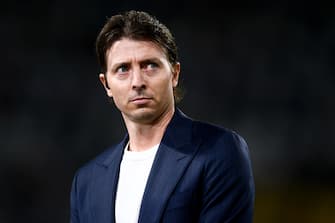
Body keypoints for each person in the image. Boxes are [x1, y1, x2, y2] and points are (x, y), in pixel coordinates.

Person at [70, 10, 255, 223]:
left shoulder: (218, 151)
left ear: (174, 74)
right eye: (123, 69)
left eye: (150, 65)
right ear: (106, 84)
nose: (137, 81)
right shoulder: (86, 182)